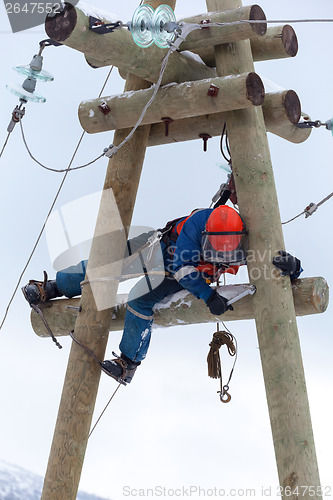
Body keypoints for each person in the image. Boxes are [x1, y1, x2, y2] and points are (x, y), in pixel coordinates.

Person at [23, 205, 302, 385]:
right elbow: (183, 268)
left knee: (139, 299)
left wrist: (294, 268)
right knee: (106, 263)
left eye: (225, 254)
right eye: (214, 250)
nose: (220, 256)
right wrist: (208, 297)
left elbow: (272, 264)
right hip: (162, 254)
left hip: (182, 276)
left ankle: (127, 363)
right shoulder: (197, 225)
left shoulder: (245, 242)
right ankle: (54, 288)